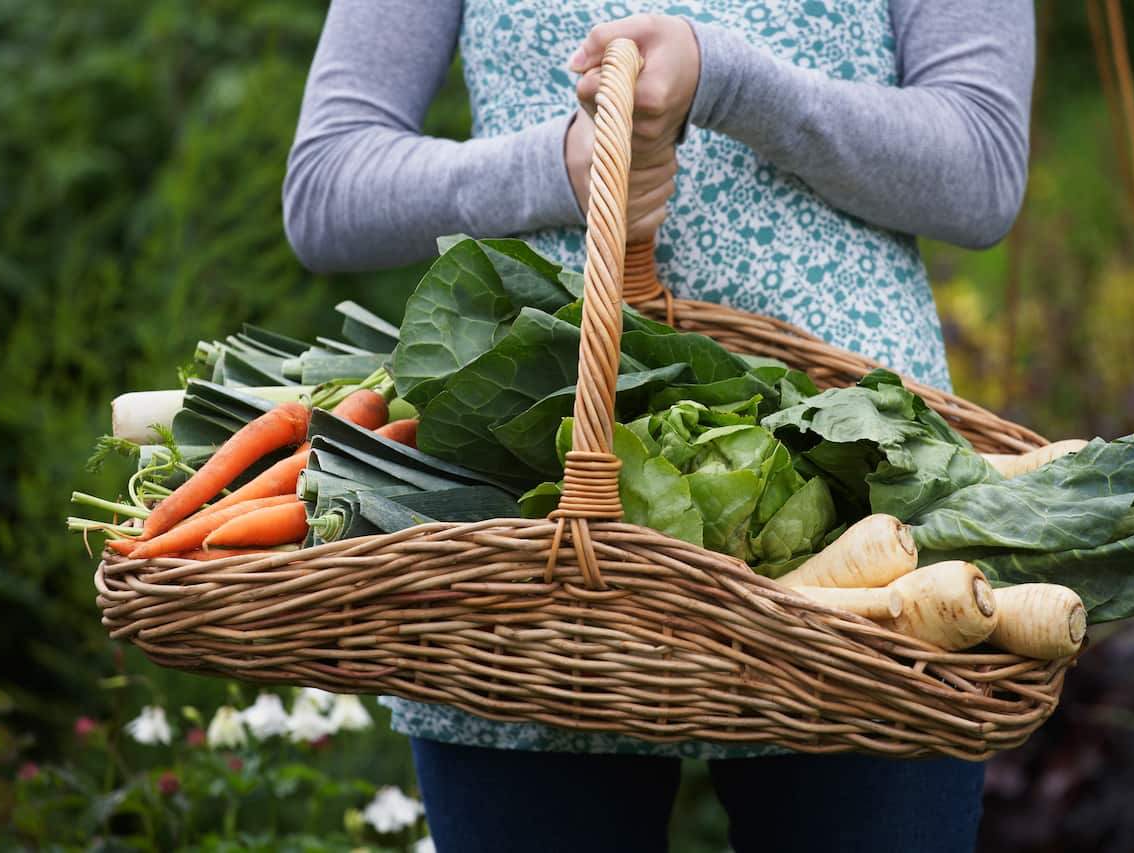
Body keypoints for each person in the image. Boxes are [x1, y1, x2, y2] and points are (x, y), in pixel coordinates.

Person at [284, 2, 1034, 851]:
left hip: (871, 526)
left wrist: (730, 81)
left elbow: (983, 169)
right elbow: (326, 186)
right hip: (529, 515)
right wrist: (561, 167)